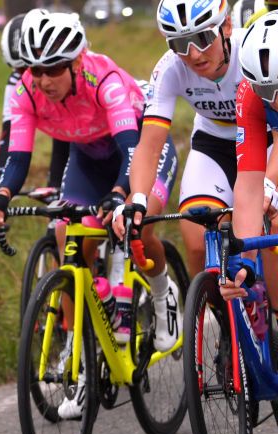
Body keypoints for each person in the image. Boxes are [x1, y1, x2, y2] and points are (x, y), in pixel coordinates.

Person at [0, 11, 178, 417]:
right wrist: (1, 195)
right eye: (36, 69)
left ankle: (163, 294)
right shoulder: (27, 90)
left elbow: (131, 151)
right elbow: (17, 158)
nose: (43, 79)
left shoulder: (105, 82)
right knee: (64, 236)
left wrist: (121, 194)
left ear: (76, 62)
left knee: (136, 226)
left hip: (139, 150)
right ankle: (83, 354)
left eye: (53, 68)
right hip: (88, 158)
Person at [112, 0, 239, 349]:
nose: (194, 53)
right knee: (198, 243)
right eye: (180, 43)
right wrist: (137, 198)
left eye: (202, 37)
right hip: (212, 144)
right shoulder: (169, 69)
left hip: (264, 143)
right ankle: (228, 334)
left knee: (257, 239)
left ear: (225, 26)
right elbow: (150, 145)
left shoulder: (251, 51)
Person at [0, 9, 69, 206]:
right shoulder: (17, 85)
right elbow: (9, 133)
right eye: (20, 70)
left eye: (33, 67)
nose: (28, 77)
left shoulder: (68, 74)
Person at [222, 12, 278, 304]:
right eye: (267, 90)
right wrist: (246, 259)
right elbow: (248, 182)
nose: (275, 99)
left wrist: (269, 183)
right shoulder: (252, 92)